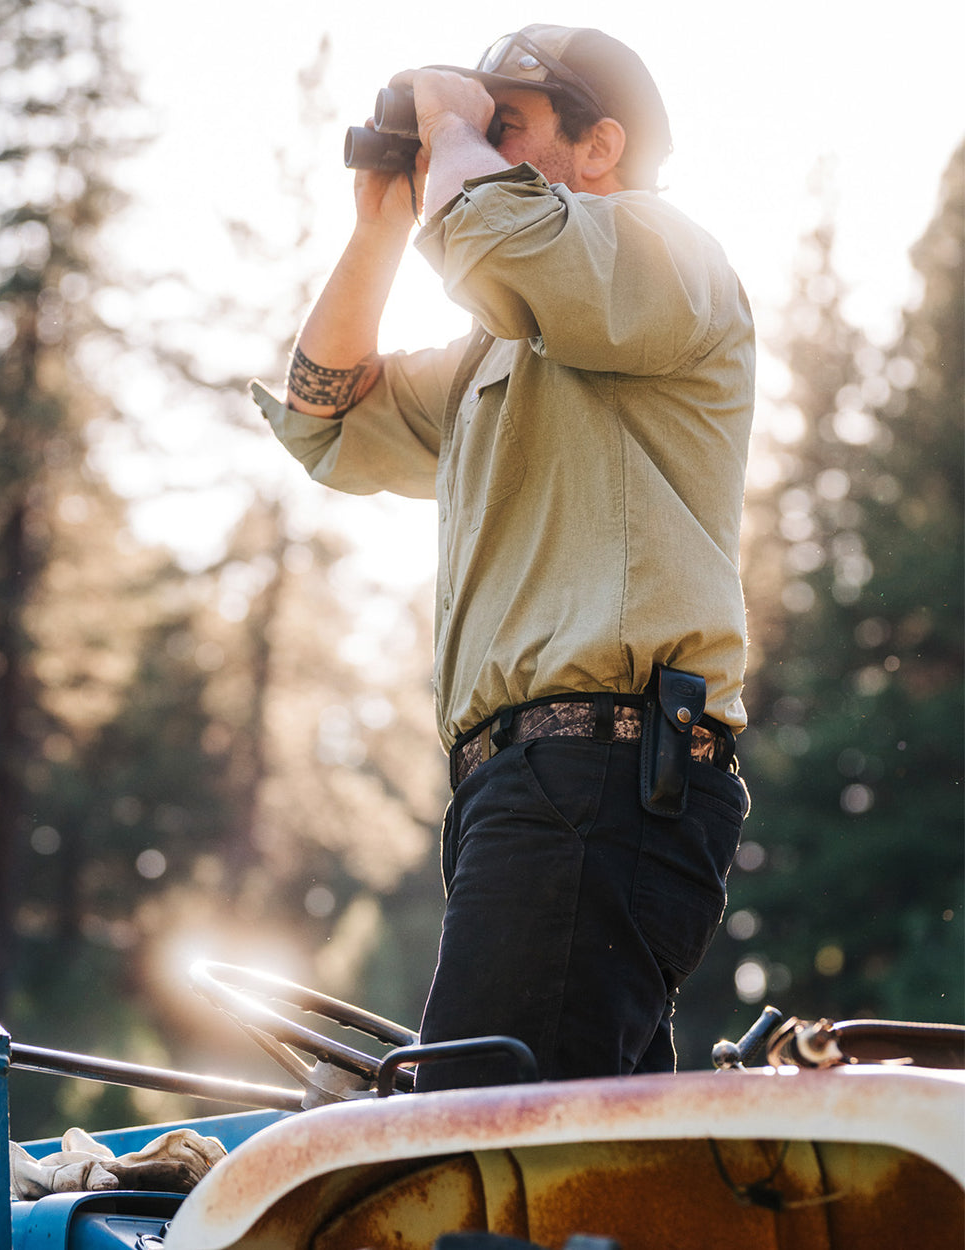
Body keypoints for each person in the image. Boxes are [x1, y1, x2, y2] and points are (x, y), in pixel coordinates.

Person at [251, 24, 755, 1091]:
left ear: (599, 146)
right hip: (525, 791)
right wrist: (383, 228)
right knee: (568, 1169)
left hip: (604, 773)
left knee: (477, 1144)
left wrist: (442, 119)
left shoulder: (669, 256)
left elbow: (511, 245)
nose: (464, 147)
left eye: (501, 126)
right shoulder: (496, 348)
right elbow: (320, 421)